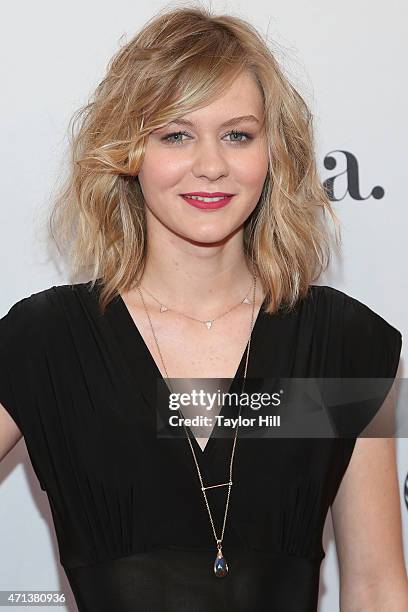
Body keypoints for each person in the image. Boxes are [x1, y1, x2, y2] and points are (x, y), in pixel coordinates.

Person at [0, 5, 407, 612]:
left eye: (238, 134)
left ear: (274, 152)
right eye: (176, 134)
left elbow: (376, 587)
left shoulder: (340, 344)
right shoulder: (48, 342)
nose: (211, 165)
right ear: (129, 151)